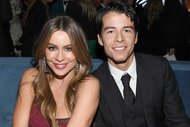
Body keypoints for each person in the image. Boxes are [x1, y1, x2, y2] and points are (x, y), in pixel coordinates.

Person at [93, 2, 190, 127]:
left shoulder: (160, 69)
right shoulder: (93, 84)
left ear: (136, 37)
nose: (119, 38)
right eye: (111, 31)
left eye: (127, 30)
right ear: (100, 39)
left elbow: (177, 121)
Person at [13, 16, 99, 127]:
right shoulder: (31, 77)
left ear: (79, 51)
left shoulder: (88, 85)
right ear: (43, 50)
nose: (59, 57)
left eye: (68, 49)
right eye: (52, 48)